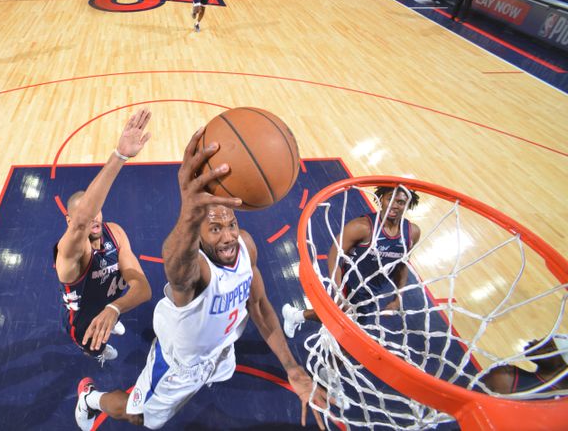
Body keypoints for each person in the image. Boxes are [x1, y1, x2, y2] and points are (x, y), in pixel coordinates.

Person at [74, 127, 329, 430]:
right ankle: (91, 399)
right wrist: (189, 210)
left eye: (230, 224)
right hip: (176, 367)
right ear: (199, 236)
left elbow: (258, 306)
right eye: (215, 229)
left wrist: (292, 368)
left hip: (219, 354)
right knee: (137, 415)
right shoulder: (196, 270)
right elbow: (175, 263)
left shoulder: (245, 245)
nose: (227, 237)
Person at [55, 109, 153, 364]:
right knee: (94, 348)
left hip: (108, 306)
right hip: (85, 323)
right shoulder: (70, 254)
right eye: (87, 214)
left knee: (111, 308)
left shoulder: (115, 232)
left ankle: (110, 315)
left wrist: (114, 308)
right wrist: (119, 156)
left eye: (98, 210)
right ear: (70, 220)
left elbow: (143, 289)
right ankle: (97, 354)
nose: (95, 218)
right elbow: (81, 222)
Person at [282, 186, 421, 335]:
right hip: (350, 286)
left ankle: (295, 315)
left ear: (407, 205)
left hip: (373, 291)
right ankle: (296, 316)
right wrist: (339, 292)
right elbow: (334, 256)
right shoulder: (362, 227)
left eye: (400, 202)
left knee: (340, 317)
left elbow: (402, 265)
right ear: (381, 199)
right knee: (350, 329)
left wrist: (398, 297)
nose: (394, 205)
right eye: (390, 199)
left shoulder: (412, 232)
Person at [483, 335, 568, 394]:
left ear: (562, 366)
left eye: (547, 345)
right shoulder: (561, 406)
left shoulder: (505, 376)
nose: (535, 341)